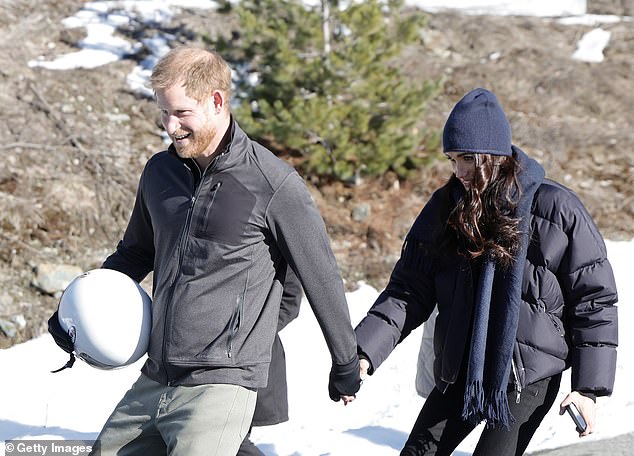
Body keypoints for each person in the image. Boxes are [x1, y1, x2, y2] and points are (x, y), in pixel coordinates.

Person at [48, 46, 360, 456]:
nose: (169, 126)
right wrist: (77, 311)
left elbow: (319, 278)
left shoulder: (273, 184)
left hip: (221, 380)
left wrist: (346, 363)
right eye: (163, 113)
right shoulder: (160, 172)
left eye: (181, 113)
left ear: (216, 101)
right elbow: (133, 255)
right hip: (156, 373)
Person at [354, 88, 618, 456]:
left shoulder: (555, 209)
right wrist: (363, 352)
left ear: (495, 154)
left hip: (528, 374)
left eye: (466, 158)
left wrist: (589, 388)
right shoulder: (447, 208)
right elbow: (408, 289)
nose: (458, 172)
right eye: (451, 159)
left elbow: (595, 301)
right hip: (463, 371)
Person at [238, 269, 302, 456]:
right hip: (197, 356)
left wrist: (252, 332)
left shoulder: (278, 243)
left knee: (232, 440)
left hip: (250, 358)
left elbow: (290, 300)